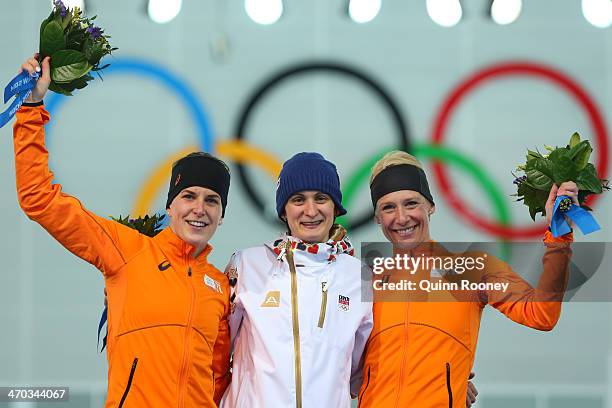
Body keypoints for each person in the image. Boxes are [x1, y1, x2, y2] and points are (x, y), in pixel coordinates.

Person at [13, 55, 231, 407]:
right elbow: (38, 200)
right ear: (170, 205)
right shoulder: (129, 251)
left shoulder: (220, 287)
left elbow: (219, 379)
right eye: (189, 196)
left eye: (212, 201)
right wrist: (31, 106)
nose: (199, 209)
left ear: (221, 216)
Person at [358, 151, 575, 407]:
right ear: (377, 218)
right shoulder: (363, 280)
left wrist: (559, 236)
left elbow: (542, 314)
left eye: (411, 203)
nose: (402, 217)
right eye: (388, 207)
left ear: (431, 206)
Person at [221, 152, 373, 407]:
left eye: (321, 198)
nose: (310, 210)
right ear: (284, 211)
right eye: (298, 199)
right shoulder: (247, 265)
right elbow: (217, 348)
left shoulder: (359, 276)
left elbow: (362, 368)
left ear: (335, 207)